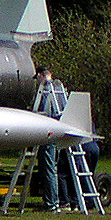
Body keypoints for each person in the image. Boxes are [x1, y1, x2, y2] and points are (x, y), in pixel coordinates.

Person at [33, 66, 68, 211]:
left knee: (48, 169)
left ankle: (52, 203)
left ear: (41, 75)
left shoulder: (47, 89)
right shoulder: (59, 88)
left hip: (48, 134)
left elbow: (43, 110)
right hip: (57, 131)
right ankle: (54, 201)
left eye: (38, 78)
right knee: (52, 168)